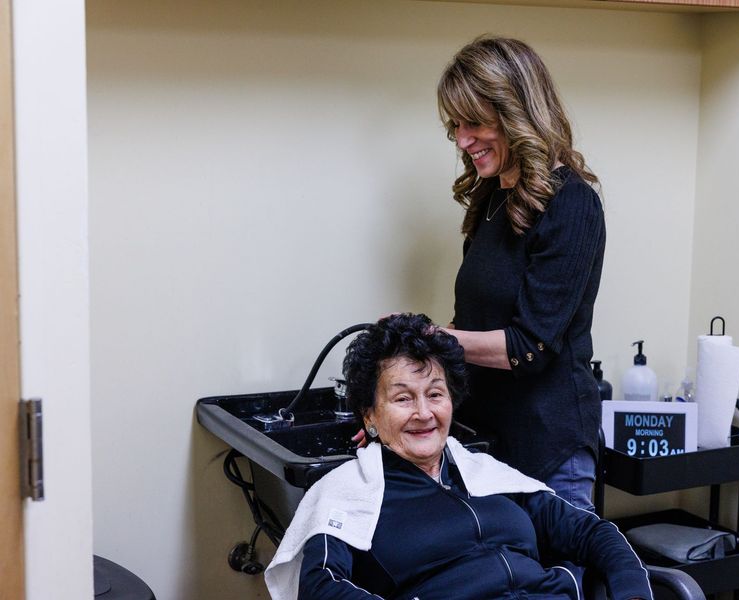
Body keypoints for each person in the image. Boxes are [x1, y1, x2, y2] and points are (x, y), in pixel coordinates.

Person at [265, 314, 651, 600]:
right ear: (370, 416)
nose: (423, 412)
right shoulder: (349, 494)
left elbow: (593, 532)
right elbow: (320, 586)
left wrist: (632, 592)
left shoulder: (489, 476)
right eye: (402, 398)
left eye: (435, 394)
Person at [436, 36, 606, 510]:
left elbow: (529, 348)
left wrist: (436, 338)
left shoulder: (573, 205)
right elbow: (474, 324)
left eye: (474, 122)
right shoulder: (492, 198)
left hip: (551, 449)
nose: (463, 140)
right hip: (490, 440)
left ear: (517, 111)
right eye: (456, 125)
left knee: (557, 583)